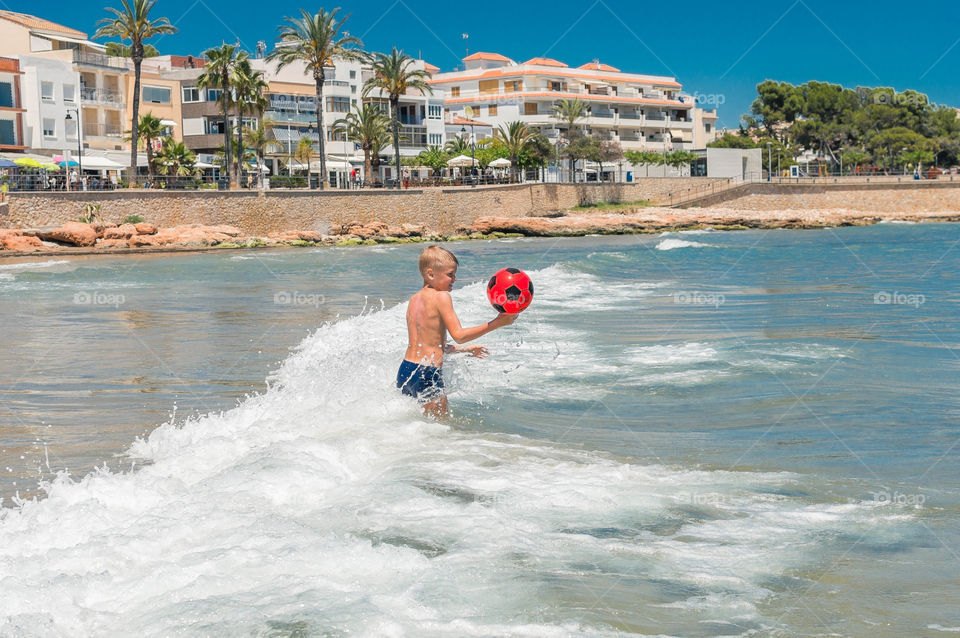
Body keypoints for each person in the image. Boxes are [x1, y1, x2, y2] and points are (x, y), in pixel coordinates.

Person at [397, 245, 517, 417]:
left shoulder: (414, 299)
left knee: (416, 425)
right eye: (450, 274)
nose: (455, 279)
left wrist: (462, 350)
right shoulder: (442, 297)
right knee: (439, 427)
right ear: (431, 274)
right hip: (427, 374)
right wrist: (498, 322)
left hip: (406, 370)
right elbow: (459, 335)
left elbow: (427, 343)